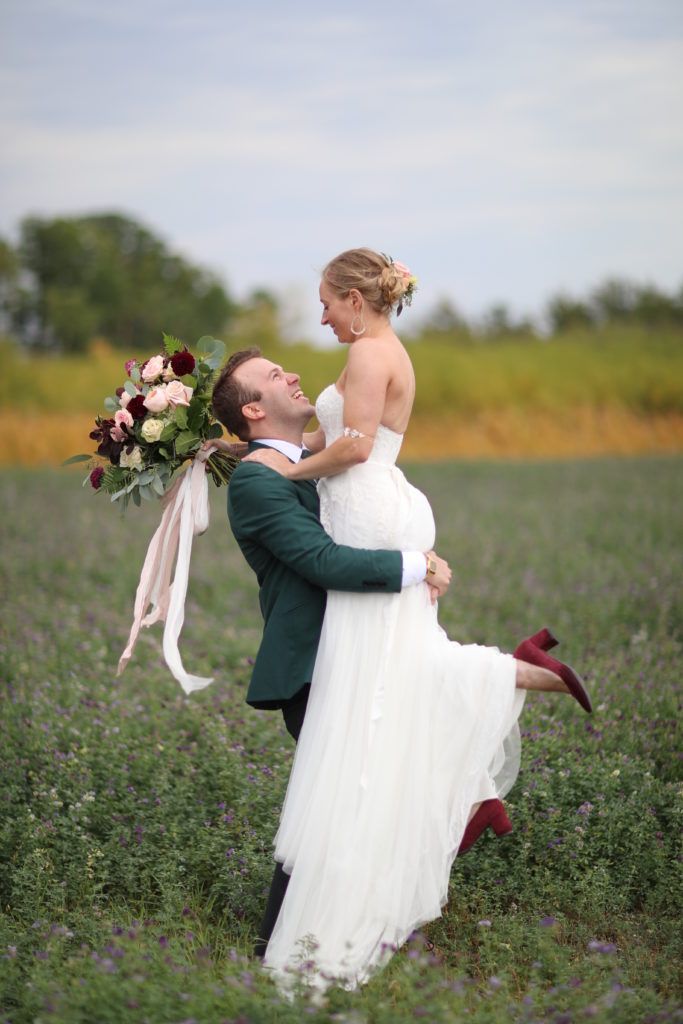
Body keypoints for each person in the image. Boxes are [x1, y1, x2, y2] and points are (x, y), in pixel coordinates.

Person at [239, 248, 592, 991]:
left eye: (326, 302)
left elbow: (357, 446)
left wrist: (286, 470)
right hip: (369, 504)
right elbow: (325, 440)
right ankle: (513, 678)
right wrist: (244, 452)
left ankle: (496, 704)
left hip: (363, 507)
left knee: (371, 699)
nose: (323, 316)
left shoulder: (370, 354)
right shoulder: (374, 348)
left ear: (355, 298)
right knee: (390, 681)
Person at [209, 348, 452, 957]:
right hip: (314, 665)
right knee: (338, 805)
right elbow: (320, 561)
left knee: (350, 800)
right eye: (272, 376)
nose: (291, 374)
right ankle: (287, 946)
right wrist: (412, 564)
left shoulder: (303, 463)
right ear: (256, 408)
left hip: (359, 652)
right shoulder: (256, 483)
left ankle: (331, 936)